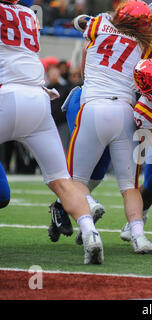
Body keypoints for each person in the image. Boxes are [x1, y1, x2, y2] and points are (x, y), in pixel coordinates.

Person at [0, 0, 103, 264]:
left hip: (5, 94)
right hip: (37, 99)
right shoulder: (26, 14)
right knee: (61, 180)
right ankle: (91, 234)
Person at [67, 0, 152, 254]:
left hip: (94, 106)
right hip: (126, 112)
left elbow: (80, 28)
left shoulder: (98, 23)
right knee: (129, 185)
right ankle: (139, 237)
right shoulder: (151, 46)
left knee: (75, 181)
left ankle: (90, 230)